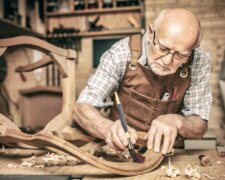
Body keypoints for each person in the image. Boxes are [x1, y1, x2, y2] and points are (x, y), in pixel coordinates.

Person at [73, 8, 212, 155]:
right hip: (119, 151)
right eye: (163, 48)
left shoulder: (199, 61)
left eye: (180, 55)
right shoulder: (121, 53)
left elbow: (200, 126)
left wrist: (177, 122)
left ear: (191, 51)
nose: (167, 61)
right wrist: (106, 128)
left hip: (167, 154)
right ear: (151, 32)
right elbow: (81, 108)